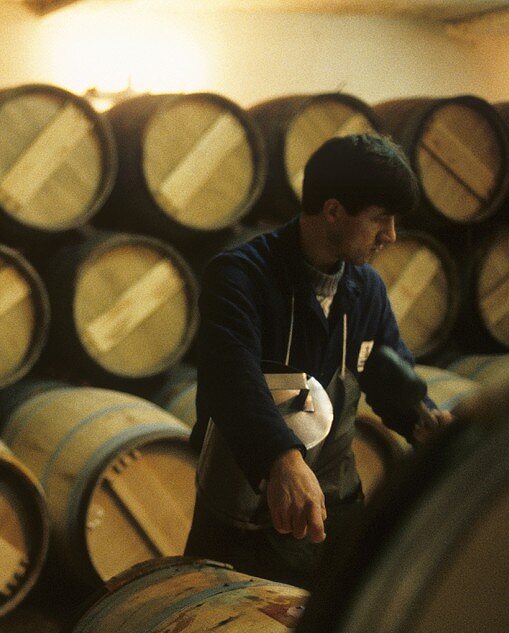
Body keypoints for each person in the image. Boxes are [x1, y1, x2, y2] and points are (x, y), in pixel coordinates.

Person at [184, 133, 453, 589]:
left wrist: (421, 420)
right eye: (379, 220)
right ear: (332, 211)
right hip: (247, 517)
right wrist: (282, 460)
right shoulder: (240, 275)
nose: (391, 235)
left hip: (335, 507)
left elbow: (385, 369)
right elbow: (234, 379)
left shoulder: (365, 289)